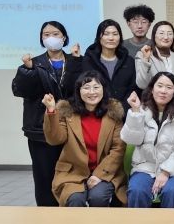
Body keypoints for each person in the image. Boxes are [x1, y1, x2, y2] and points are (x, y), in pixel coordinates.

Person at [12, 21, 81, 206]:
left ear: (64, 37)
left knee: (71, 174)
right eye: (46, 34)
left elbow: (79, 90)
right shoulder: (33, 63)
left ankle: (71, 211)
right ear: (42, 39)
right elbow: (19, 90)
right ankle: (46, 214)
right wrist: (27, 70)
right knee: (44, 177)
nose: (51, 38)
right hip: (40, 130)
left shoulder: (75, 61)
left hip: (70, 128)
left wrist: (76, 61)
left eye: (56, 34)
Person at [42, 71, 127, 207]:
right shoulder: (68, 113)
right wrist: (51, 111)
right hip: (73, 172)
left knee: (98, 197)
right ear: (79, 91)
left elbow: (118, 148)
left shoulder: (113, 114)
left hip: (105, 171)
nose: (91, 92)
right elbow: (55, 139)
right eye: (86, 87)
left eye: (96, 87)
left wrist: (98, 175)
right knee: (75, 199)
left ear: (103, 90)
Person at [121, 72, 174, 208]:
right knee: (137, 191)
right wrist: (135, 112)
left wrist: (166, 172)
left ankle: (170, 223)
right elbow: (131, 140)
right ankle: (138, 223)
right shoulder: (140, 111)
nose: (163, 91)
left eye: (169, 87)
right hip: (145, 167)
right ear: (152, 89)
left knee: (173, 191)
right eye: (159, 86)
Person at [80, 19, 137, 112]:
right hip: (96, 112)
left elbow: (132, 88)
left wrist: (121, 110)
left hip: (124, 113)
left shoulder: (129, 61)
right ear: (99, 37)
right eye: (106, 34)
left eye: (115, 34)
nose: (111, 38)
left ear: (120, 37)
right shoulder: (88, 61)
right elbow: (83, 88)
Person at [135, 21, 174, 90]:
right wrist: (146, 60)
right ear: (154, 36)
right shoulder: (142, 55)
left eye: (170, 34)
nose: (166, 37)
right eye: (161, 33)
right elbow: (142, 85)